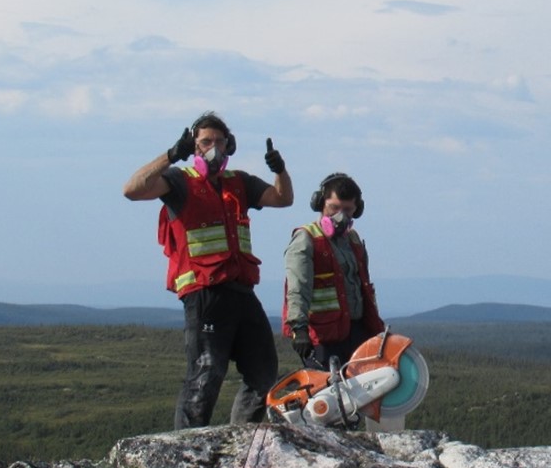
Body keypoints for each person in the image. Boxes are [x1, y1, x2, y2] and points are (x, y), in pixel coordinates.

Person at [123, 112, 293, 429]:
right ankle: (187, 447)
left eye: (219, 141)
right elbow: (132, 189)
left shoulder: (238, 182)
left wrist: (279, 170)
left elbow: (283, 198)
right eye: (205, 142)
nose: (213, 147)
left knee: (264, 372)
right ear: (194, 145)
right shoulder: (178, 181)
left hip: (242, 291)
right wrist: (173, 154)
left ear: (230, 146)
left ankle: (243, 436)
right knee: (206, 374)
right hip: (204, 293)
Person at [282, 172, 385, 370]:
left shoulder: (353, 240)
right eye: (334, 208)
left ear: (357, 210)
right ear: (321, 203)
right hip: (324, 336)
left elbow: (364, 287)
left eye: (347, 209)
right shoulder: (306, 239)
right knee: (328, 394)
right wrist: (299, 329)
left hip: (357, 331)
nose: (340, 215)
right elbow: (297, 287)